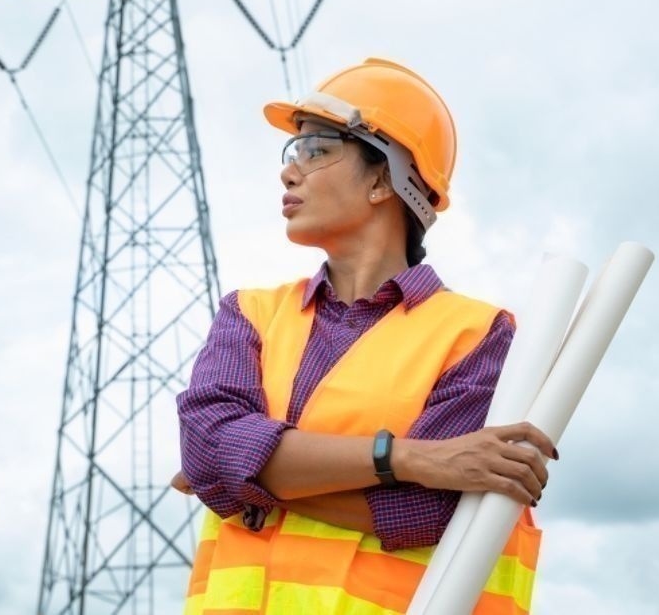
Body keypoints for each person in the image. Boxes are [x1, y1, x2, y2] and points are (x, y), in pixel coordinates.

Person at [172, 57, 554, 615]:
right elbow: (210, 447)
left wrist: (242, 478)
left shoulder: (478, 335)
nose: (289, 171)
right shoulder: (250, 313)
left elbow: (429, 511)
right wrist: (408, 458)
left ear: (384, 179)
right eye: (293, 151)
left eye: (317, 149)